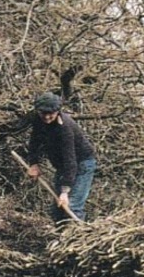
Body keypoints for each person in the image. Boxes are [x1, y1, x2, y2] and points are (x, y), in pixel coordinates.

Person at [26, 93, 96, 222]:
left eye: (51, 113)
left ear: (58, 111)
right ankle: (59, 238)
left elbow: (70, 161)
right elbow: (34, 142)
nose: (47, 117)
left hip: (82, 164)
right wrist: (33, 163)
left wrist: (65, 192)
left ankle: (77, 239)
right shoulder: (37, 119)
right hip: (62, 166)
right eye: (43, 113)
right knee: (58, 209)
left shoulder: (65, 128)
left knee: (71, 206)